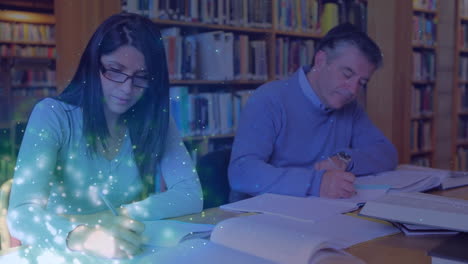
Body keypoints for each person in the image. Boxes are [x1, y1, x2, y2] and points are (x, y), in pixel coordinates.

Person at [7, 13, 203, 259]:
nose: (126, 88)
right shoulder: (53, 115)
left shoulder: (156, 119)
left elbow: (190, 195)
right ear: (93, 65)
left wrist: (116, 215)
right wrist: (83, 234)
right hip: (63, 250)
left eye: (141, 76)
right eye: (114, 70)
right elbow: (20, 216)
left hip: (125, 249)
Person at [228, 23, 398, 200]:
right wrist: (317, 184)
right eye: (347, 74)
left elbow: (387, 153)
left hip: (319, 213)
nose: (353, 90)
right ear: (320, 61)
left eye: (362, 83)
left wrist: (345, 158)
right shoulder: (269, 98)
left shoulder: (350, 107)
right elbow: (242, 172)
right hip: (259, 217)